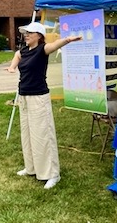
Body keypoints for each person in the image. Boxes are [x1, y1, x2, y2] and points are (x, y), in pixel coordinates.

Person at [6, 22, 82, 189]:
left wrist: (67, 39)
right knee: (27, 134)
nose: (26, 35)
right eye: (25, 33)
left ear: (38, 36)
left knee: (42, 136)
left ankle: (52, 174)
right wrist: (12, 67)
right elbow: (17, 56)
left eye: (30, 33)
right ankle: (31, 168)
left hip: (39, 97)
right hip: (24, 97)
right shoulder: (24, 51)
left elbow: (54, 45)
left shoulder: (43, 50)